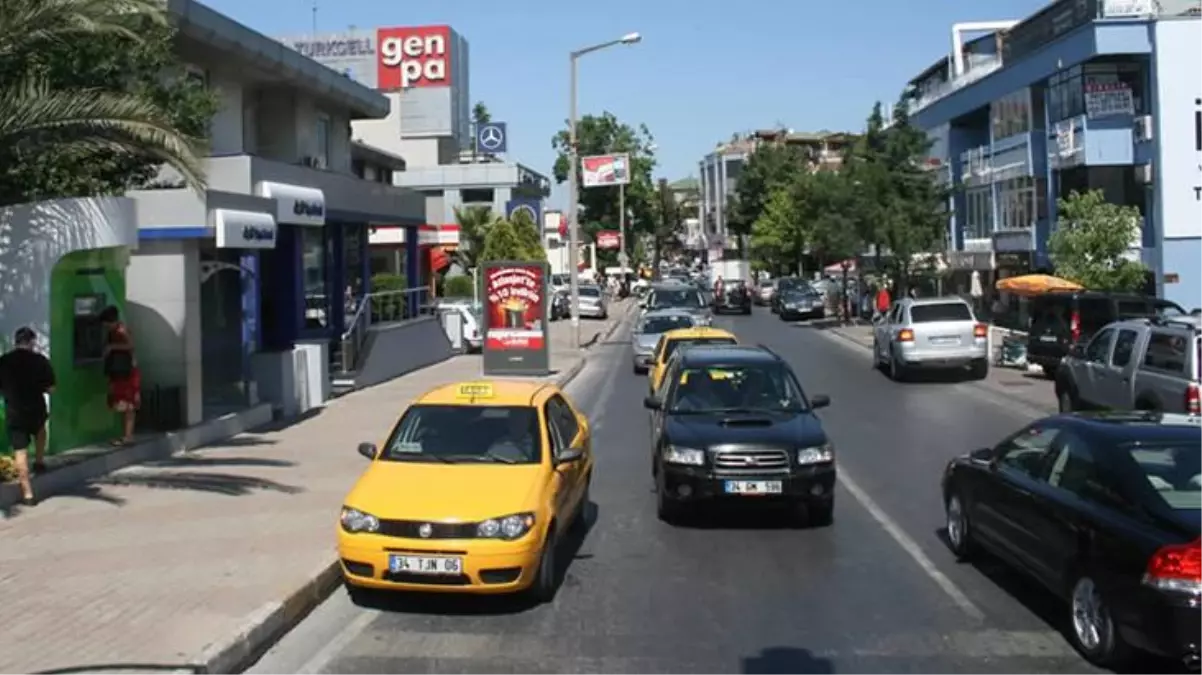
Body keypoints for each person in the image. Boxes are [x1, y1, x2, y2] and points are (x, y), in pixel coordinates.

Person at [0, 327, 55, 506]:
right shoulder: (40, 361)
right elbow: (51, 388)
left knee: (20, 451)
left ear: (16, 342)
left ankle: (28, 494)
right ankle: (39, 461)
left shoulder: (4, 362)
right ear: (32, 342)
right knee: (41, 430)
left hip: (15, 412)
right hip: (36, 409)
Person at [99, 306, 140, 446]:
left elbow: (131, 346)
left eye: (105, 323)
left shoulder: (121, 330)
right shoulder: (113, 332)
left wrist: (112, 347)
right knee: (120, 402)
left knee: (127, 404)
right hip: (118, 371)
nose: (104, 326)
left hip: (126, 371)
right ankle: (126, 435)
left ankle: (128, 436)